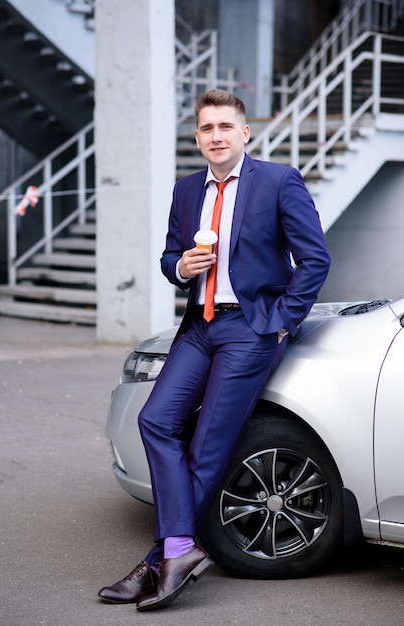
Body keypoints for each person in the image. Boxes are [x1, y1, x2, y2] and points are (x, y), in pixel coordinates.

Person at [98, 89, 331, 612]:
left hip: (250, 329)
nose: (216, 136)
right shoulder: (186, 190)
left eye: (226, 126)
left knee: (207, 447)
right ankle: (177, 551)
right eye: (207, 129)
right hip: (199, 328)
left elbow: (314, 259)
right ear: (198, 136)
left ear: (244, 132)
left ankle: (159, 560)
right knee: (156, 420)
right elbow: (169, 254)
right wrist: (179, 268)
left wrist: (280, 324)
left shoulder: (277, 181)